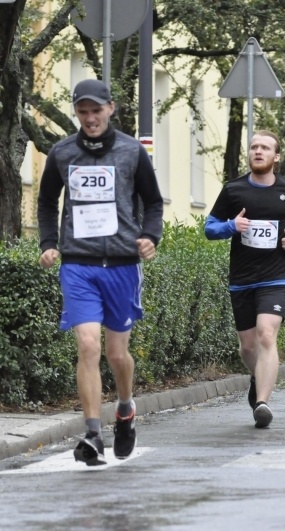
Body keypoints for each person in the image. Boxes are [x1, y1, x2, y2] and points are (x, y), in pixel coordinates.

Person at [37, 79, 164, 466]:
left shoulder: (131, 151)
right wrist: (48, 243)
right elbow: (45, 202)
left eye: (96, 110)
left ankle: (125, 408)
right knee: (89, 345)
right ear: (76, 113)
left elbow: (154, 202)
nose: (90, 118)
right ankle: (93, 433)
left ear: (111, 108)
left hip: (123, 265)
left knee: (116, 352)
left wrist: (149, 236)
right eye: (83, 111)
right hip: (78, 264)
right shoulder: (62, 153)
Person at [205, 130, 285, 428]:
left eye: (265, 147)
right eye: (254, 147)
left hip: (276, 275)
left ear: (276, 156)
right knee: (248, 346)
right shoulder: (234, 190)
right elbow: (209, 227)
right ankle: (257, 376)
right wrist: (231, 225)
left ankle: (263, 403)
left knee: (267, 334)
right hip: (242, 277)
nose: (258, 151)